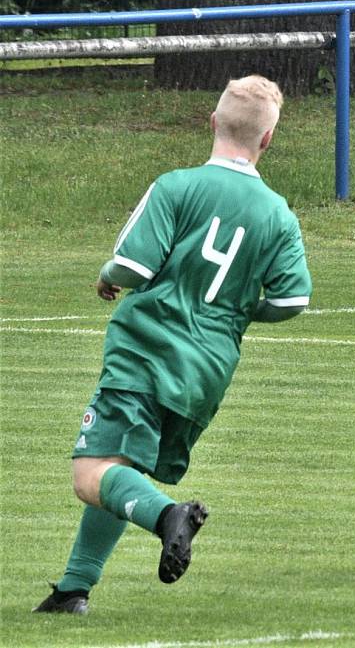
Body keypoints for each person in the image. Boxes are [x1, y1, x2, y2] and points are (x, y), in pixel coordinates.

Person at [34, 75, 312, 614]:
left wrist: (106, 272)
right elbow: (292, 299)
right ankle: (73, 589)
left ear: (211, 123)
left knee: (91, 474)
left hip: (146, 352)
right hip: (207, 369)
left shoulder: (177, 185)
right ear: (268, 140)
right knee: (121, 471)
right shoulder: (278, 213)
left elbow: (135, 266)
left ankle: (170, 518)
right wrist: (237, 311)